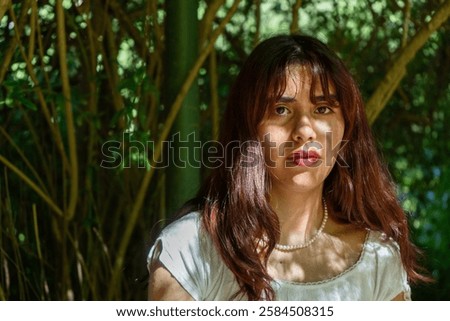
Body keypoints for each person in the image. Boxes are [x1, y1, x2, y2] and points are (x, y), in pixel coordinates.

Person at [147, 34, 426, 300]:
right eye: (281, 110)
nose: (304, 131)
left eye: (322, 109)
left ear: (346, 129)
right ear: (248, 129)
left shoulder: (377, 258)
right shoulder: (191, 248)